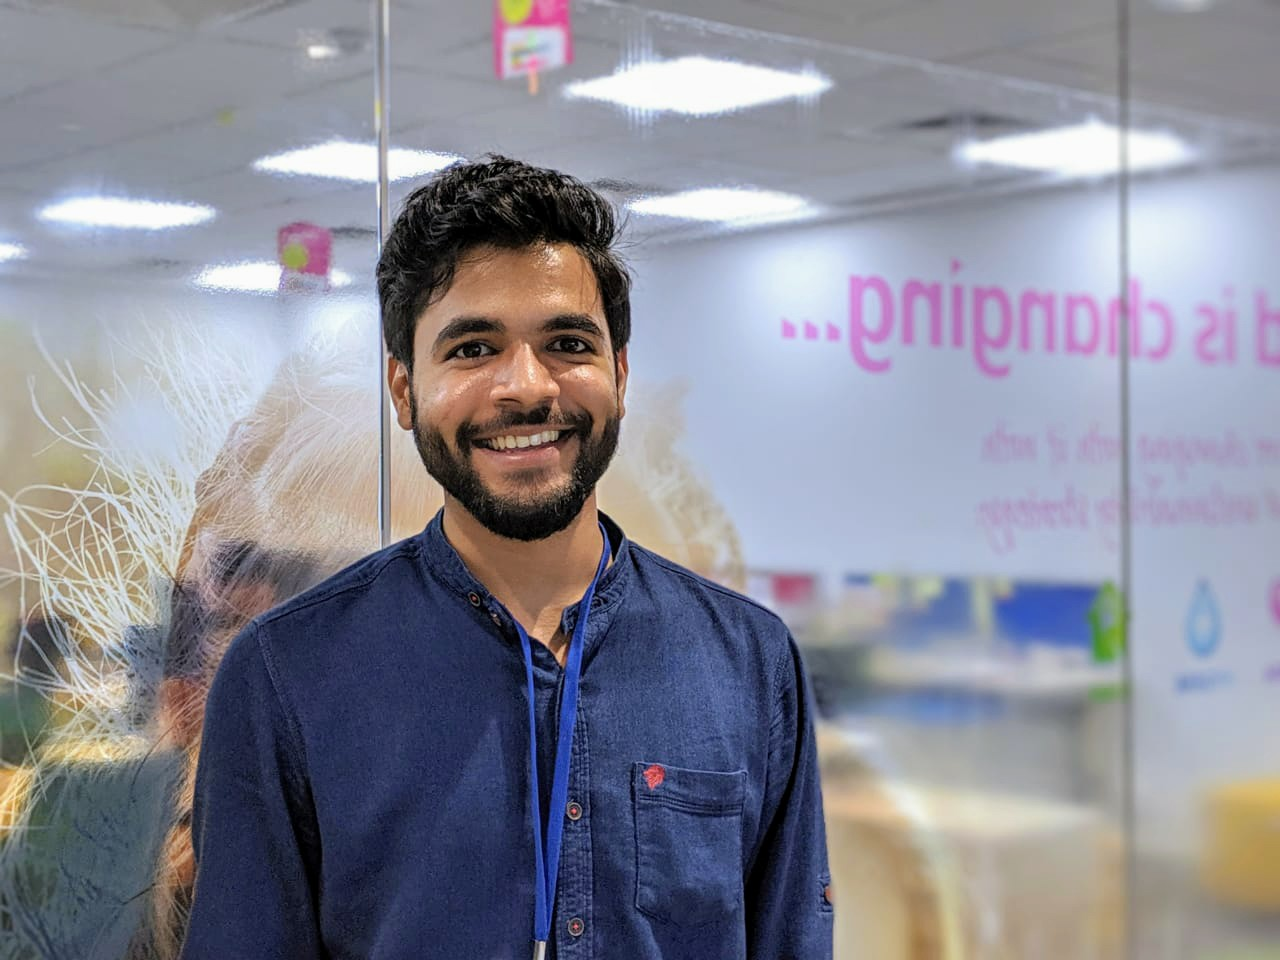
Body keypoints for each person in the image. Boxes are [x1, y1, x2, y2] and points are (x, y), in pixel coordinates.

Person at [180, 156, 832, 960]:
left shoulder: (748, 661)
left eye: (567, 343)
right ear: (403, 390)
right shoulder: (286, 675)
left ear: (620, 375)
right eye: (472, 348)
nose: (526, 387)